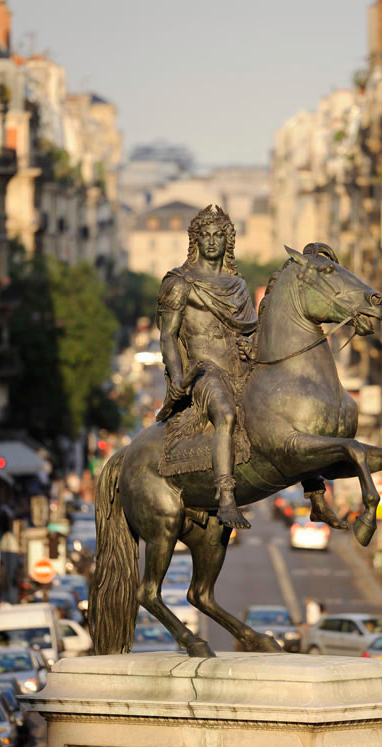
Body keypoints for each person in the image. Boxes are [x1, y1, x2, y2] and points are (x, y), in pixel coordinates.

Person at [156, 205, 257, 529]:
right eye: (205, 236)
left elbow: (249, 330)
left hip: (239, 367)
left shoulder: (238, 286)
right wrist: (176, 375)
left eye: (218, 236)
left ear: (228, 241)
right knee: (226, 414)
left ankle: (315, 493)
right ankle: (226, 497)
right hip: (204, 370)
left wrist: (251, 347)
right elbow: (168, 335)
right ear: (195, 241)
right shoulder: (180, 282)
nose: (212, 241)